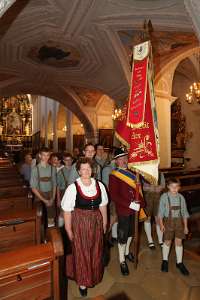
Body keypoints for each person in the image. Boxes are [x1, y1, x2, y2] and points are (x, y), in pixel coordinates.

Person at [61, 157, 108, 297]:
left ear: (92, 170)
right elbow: (67, 210)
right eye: (83, 169)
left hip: (96, 223)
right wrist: (68, 229)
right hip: (80, 223)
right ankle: (82, 282)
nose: (86, 171)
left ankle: (93, 276)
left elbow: (103, 206)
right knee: (82, 252)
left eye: (88, 168)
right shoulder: (73, 188)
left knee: (95, 250)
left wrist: (105, 223)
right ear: (79, 171)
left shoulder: (99, 185)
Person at [109, 148, 145, 276]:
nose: (123, 161)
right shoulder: (114, 175)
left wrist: (140, 203)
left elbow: (138, 190)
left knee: (131, 232)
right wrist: (130, 204)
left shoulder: (134, 173)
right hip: (124, 209)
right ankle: (122, 260)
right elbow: (114, 195)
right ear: (116, 161)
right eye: (120, 159)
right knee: (123, 234)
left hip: (134, 209)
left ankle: (127, 252)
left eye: (125, 158)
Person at [158, 177, 190, 275]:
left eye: (176, 187)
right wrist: (161, 224)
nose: (174, 189)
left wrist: (185, 226)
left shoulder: (181, 198)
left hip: (179, 223)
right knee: (167, 241)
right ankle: (165, 260)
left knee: (179, 242)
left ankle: (179, 262)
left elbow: (184, 213)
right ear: (168, 187)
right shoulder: (164, 197)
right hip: (168, 222)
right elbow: (160, 213)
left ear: (179, 187)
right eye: (172, 187)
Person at [30, 147, 57, 227]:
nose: (46, 157)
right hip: (39, 195)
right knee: (40, 219)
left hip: (50, 195)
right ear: (40, 155)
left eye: (48, 155)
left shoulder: (53, 168)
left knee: (51, 218)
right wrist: (44, 200)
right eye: (44, 155)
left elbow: (54, 184)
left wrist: (53, 198)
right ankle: (40, 236)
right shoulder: (35, 169)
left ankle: (51, 235)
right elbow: (33, 188)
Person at [143, 171, 165, 249]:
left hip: (158, 197)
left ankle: (160, 240)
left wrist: (159, 188)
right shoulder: (144, 172)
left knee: (158, 218)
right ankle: (150, 240)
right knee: (147, 218)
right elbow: (141, 187)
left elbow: (163, 185)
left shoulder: (160, 173)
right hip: (147, 197)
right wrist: (150, 188)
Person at [57, 152, 73, 227]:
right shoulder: (60, 172)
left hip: (73, 193)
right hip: (64, 193)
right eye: (66, 160)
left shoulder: (75, 170)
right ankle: (60, 228)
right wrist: (58, 199)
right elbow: (58, 186)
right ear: (63, 161)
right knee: (62, 212)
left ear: (72, 160)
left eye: (70, 160)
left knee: (72, 211)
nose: (68, 162)